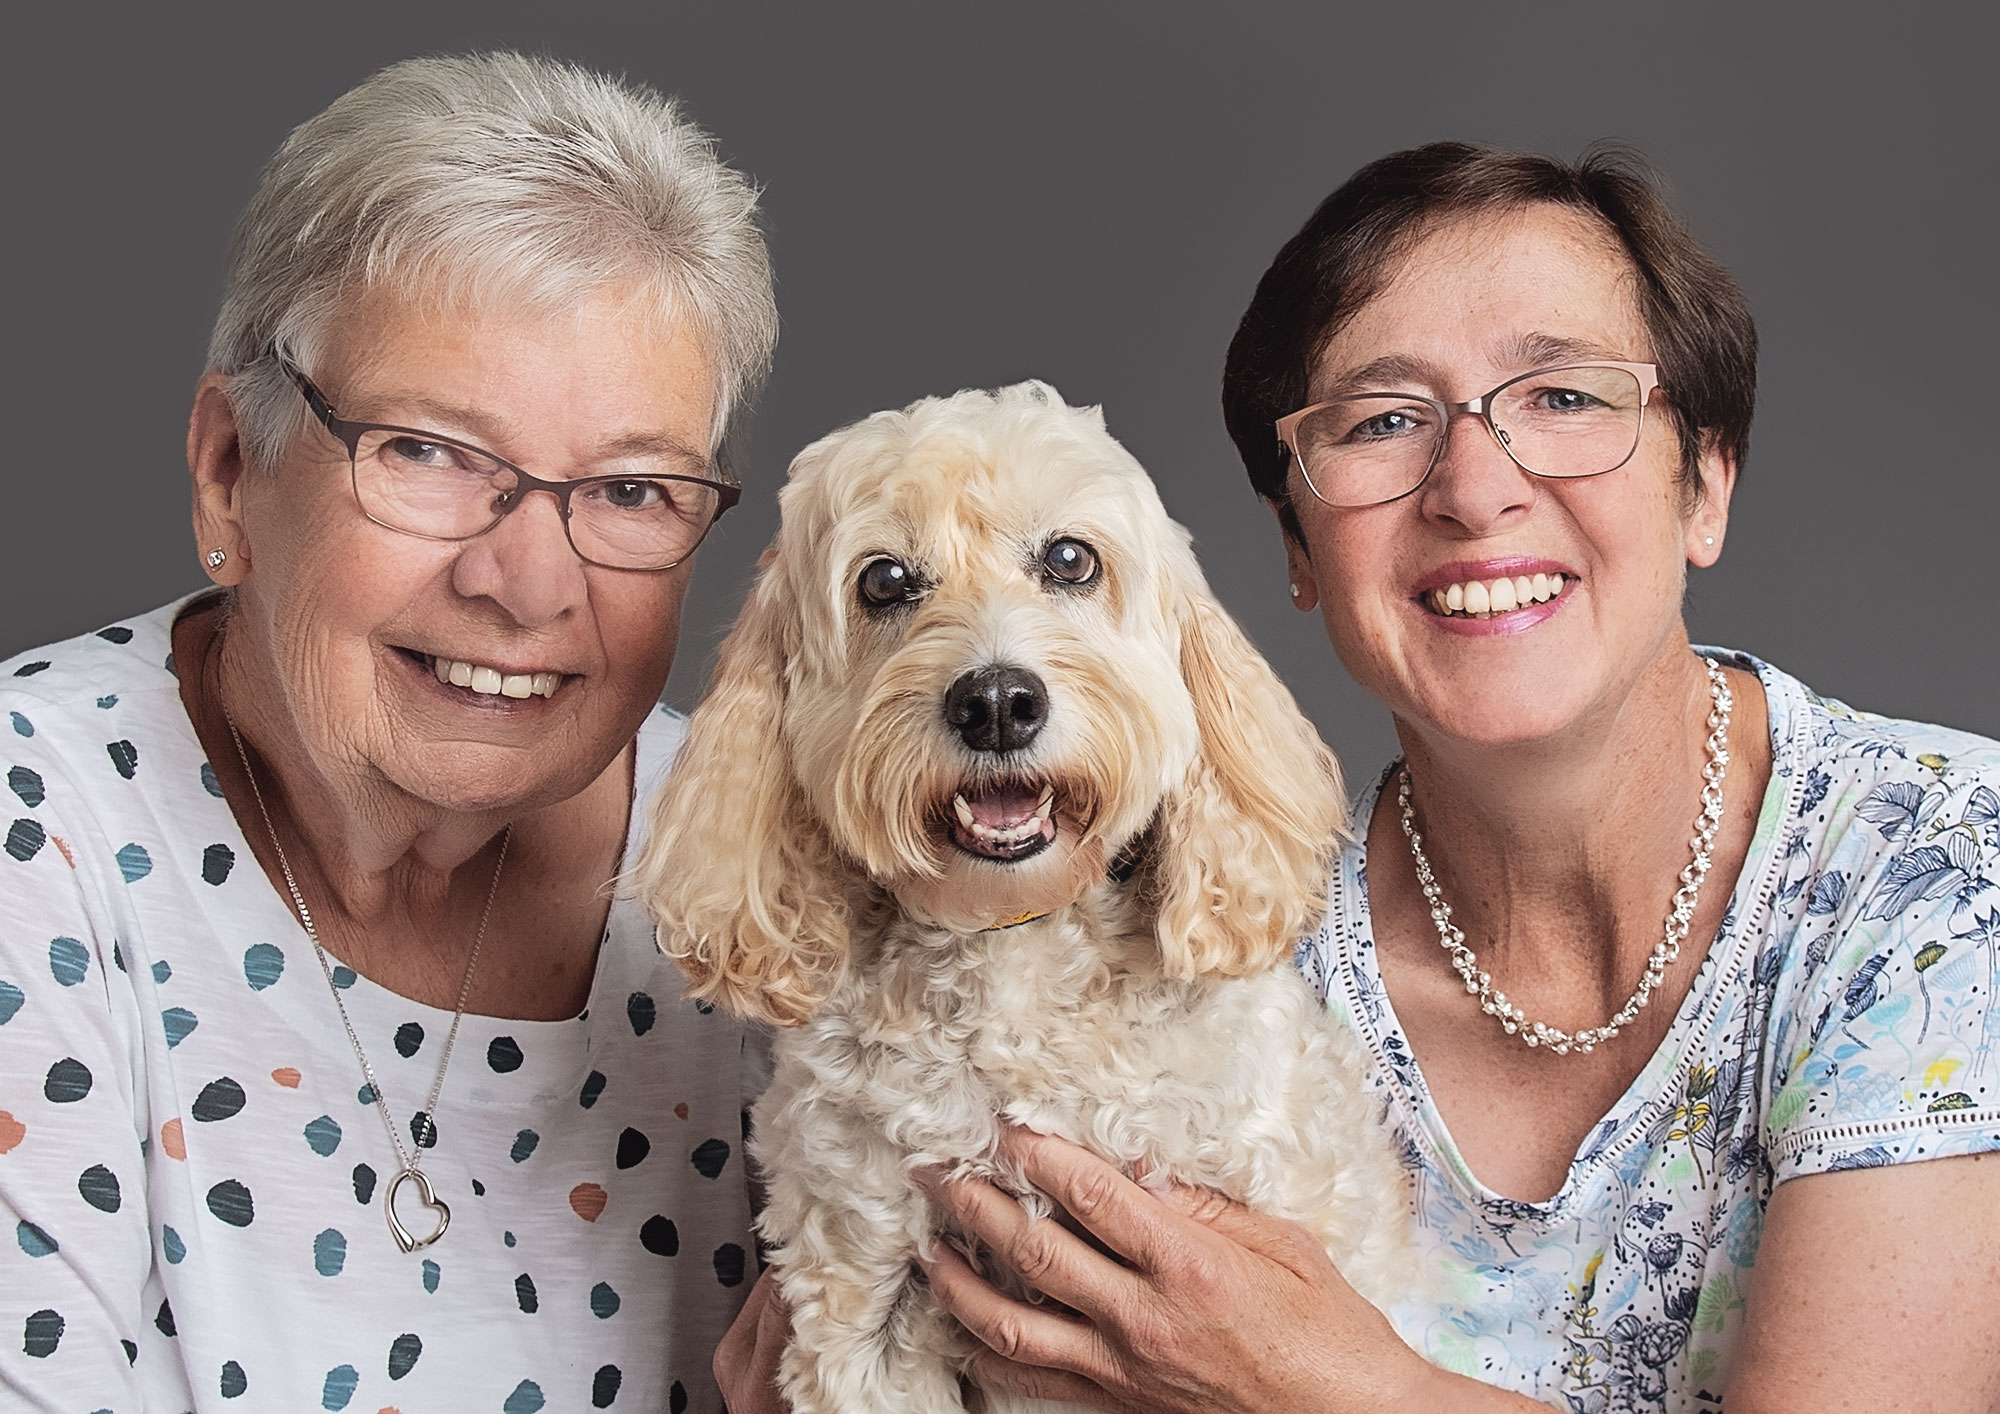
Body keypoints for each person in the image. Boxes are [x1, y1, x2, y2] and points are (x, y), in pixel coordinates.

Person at [794, 144, 2000, 1412]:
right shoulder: (1205, 957)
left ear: (1703, 481)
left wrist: (1333, 1390)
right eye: (1381, 423)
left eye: (1563, 398)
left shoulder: (1936, 879)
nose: (1475, 491)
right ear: (1295, 546)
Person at [0, 52, 777, 1413]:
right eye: (426, 452)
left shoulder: (776, 876)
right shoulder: (35, 834)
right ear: (229, 467)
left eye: (633, 489)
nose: (525, 582)